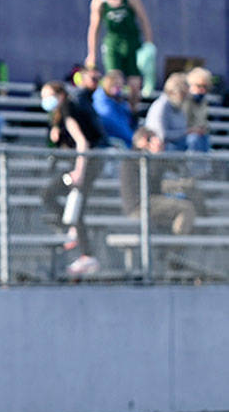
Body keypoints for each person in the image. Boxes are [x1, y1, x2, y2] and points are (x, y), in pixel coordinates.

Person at [39, 81, 105, 276]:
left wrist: (79, 172)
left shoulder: (69, 108)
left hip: (85, 165)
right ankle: (72, 232)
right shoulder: (60, 114)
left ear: (60, 95)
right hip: (82, 165)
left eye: (48, 95)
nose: (45, 101)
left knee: (73, 206)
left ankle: (87, 254)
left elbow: (82, 143)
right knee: (53, 197)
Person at [86, 0, 153, 110]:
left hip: (132, 43)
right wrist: (92, 53)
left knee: (134, 85)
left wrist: (148, 44)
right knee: (113, 81)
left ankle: (132, 113)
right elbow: (94, 29)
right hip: (113, 45)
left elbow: (144, 20)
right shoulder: (99, 2)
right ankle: (113, 112)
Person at [120, 126, 202, 234]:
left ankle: (172, 244)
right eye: (153, 139)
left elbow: (157, 183)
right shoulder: (137, 156)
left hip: (149, 203)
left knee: (185, 196)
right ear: (145, 139)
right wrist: (156, 154)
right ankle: (175, 246)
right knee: (187, 208)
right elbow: (154, 175)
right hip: (140, 205)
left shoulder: (138, 156)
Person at [144, 72, 190, 151]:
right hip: (162, 148)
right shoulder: (161, 106)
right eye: (183, 94)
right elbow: (162, 135)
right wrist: (187, 132)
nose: (185, 97)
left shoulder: (179, 107)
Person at [92, 69, 134, 147]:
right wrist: (134, 140)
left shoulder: (119, 101)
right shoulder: (101, 102)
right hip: (113, 143)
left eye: (120, 85)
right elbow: (117, 126)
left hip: (126, 140)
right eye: (114, 84)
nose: (118, 87)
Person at [182, 67, 213, 154]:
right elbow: (182, 126)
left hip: (200, 136)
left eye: (205, 87)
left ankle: (205, 167)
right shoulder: (184, 101)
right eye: (199, 86)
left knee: (205, 139)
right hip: (184, 137)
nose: (202, 90)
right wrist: (194, 130)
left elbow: (203, 122)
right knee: (194, 139)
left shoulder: (204, 102)